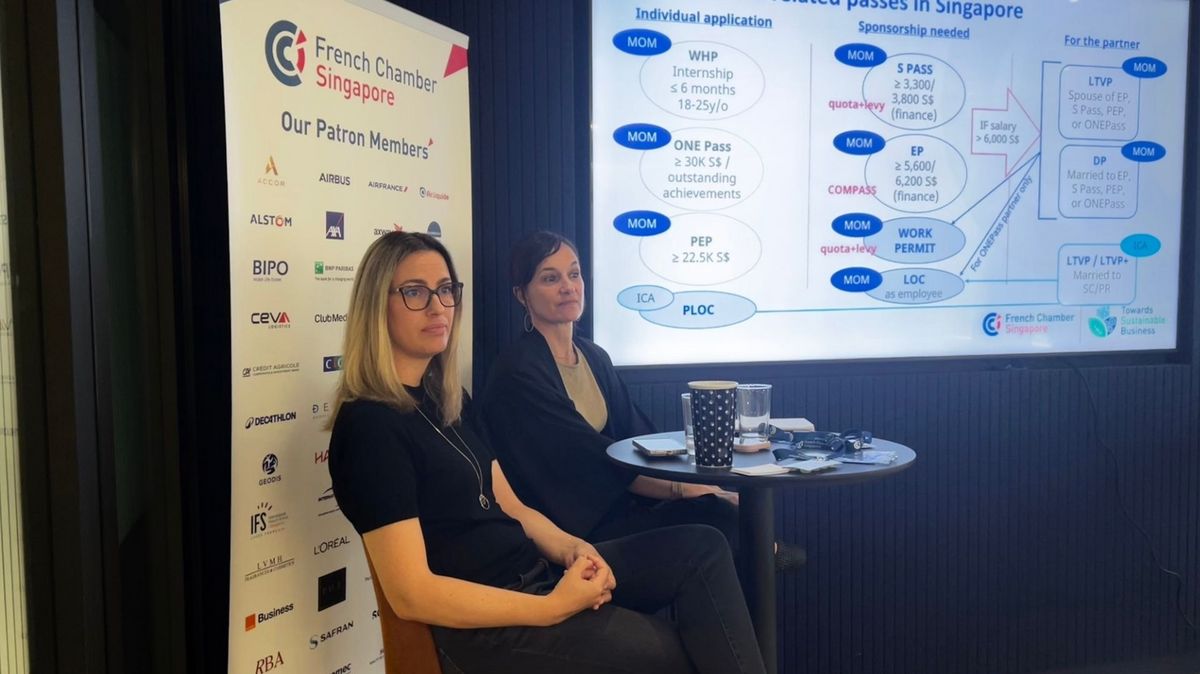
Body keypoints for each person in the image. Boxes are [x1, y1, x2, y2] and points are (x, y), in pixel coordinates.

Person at [328, 231, 766, 674]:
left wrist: (576, 551)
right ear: (376, 306)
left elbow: (513, 506)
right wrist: (551, 608)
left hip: (533, 576)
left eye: (445, 290)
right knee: (677, 651)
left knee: (703, 548)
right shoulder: (370, 426)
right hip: (482, 628)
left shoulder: (448, 401)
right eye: (414, 292)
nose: (438, 307)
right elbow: (411, 594)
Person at [481, 231, 805, 570]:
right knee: (714, 524)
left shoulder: (593, 356)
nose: (568, 287)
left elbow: (636, 440)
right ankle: (768, 556)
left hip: (621, 506)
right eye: (550, 278)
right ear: (522, 294)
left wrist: (707, 487)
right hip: (576, 528)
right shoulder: (518, 372)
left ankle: (765, 560)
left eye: (574, 274)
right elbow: (587, 461)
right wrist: (685, 490)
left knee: (720, 511)